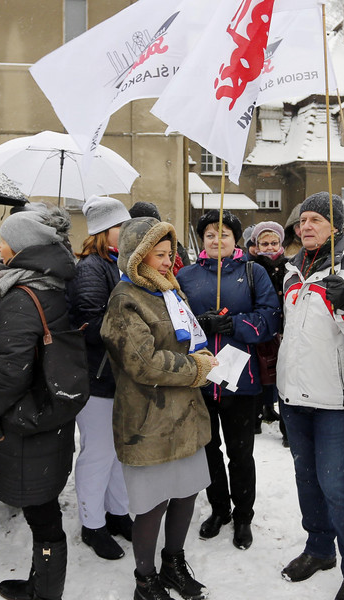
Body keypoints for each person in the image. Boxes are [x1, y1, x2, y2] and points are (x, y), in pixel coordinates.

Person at [101, 216, 218, 600]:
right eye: (161, 255)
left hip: (185, 413)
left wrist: (203, 353)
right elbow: (144, 363)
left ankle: (173, 563)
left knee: (186, 492)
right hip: (148, 419)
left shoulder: (170, 291)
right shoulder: (124, 300)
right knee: (152, 504)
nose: (169, 262)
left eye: (171, 254)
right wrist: (196, 367)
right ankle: (145, 579)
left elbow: (186, 340)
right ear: (138, 257)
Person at [0, 209, 82, 600]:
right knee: (45, 505)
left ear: (21, 247)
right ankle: (42, 583)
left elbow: (12, 374)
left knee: (42, 514)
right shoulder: (52, 283)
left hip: (27, 418)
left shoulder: (22, 297)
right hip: (49, 413)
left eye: (5, 240)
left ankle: (45, 592)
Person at [276, 192, 344, 600]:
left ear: (335, 225)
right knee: (306, 479)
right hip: (294, 395)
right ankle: (319, 548)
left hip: (336, 400)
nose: (306, 227)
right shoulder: (291, 270)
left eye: (316, 220)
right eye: (303, 221)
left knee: (336, 484)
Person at [177, 210, 280, 550]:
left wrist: (234, 325)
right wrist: (199, 324)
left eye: (223, 234)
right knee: (209, 450)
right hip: (202, 379)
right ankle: (219, 509)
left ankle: (243, 515)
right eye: (209, 234)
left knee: (240, 453)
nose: (216, 239)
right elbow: (177, 319)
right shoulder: (188, 275)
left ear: (235, 239)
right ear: (201, 240)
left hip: (241, 379)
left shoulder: (254, 272)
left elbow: (270, 317)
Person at [70, 196, 136, 561]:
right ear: (102, 231)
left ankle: (117, 513)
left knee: (118, 453)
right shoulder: (92, 268)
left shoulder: (121, 265)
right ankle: (92, 523)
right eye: (120, 227)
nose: (127, 233)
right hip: (97, 378)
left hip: (121, 377)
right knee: (98, 454)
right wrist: (133, 326)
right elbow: (89, 324)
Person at [248, 221, 289, 433]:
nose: (270, 247)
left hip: (284, 329)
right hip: (259, 327)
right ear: (256, 245)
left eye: (274, 242)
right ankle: (255, 419)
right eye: (265, 243)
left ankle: (285, 426)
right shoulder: (251, 267)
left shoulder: (288, 266)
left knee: (282, 378)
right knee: (260, 374)